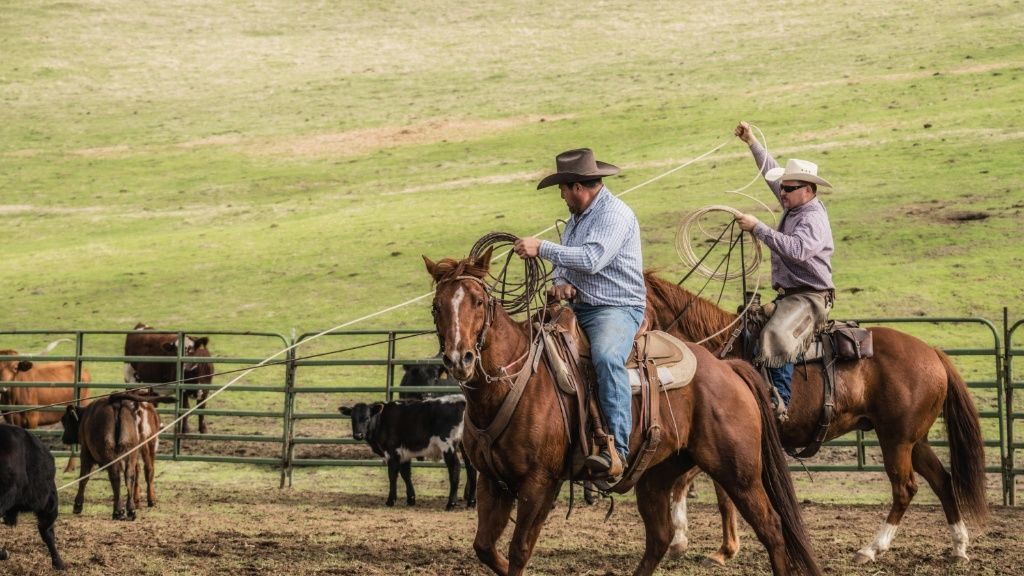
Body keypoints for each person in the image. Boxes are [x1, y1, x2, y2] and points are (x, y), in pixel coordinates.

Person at [513, 148, 646, 478]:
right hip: (579, 307)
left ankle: (617, 450)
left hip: (616, 307)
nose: (561, 196)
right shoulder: (577, 219)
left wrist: (541, 247)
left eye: (562, 188)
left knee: (605, 357)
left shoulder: (615, 214)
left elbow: (591, 259)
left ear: (577, 187)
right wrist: (560, 283)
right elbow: (567, 263)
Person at [733, 121, 835, 416]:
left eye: (788, 188)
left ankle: (780, 404)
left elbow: (798, 250)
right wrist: (752, 141)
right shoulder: (795, 203)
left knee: (776, 335)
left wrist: (758, 228)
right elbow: (771, 172)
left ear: (807, 189)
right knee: (747, 328)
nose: (782, 192)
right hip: (790, 295)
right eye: (784, 187)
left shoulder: (812, 218)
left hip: (810, 297)